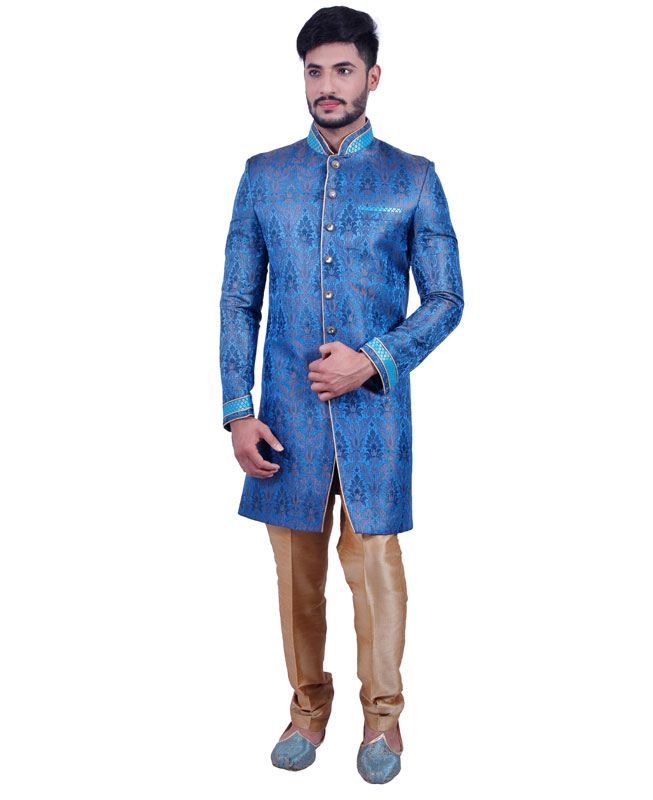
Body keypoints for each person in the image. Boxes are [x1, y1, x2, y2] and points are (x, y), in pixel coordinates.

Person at [219, 6, 464, 784]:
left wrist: (373, 360)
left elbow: (446, 299)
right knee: (295, 578)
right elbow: (238, 301)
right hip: (283, 421)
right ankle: (306, 709)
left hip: (374, 418)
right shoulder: (264, 176)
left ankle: (383, 720)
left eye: (343, 70)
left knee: (375, 571)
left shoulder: (413, 178)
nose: (327, 85)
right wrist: (237, 410)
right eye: (315, 70)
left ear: (372, 77)